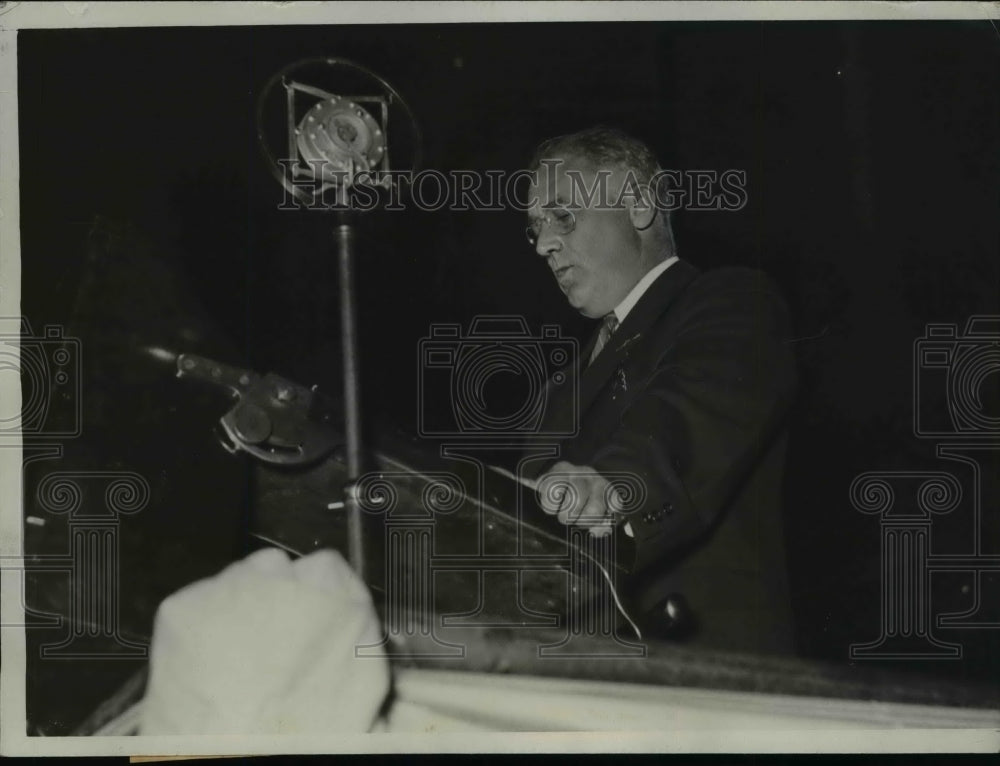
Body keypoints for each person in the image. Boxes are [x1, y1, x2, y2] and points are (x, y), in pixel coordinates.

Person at [521, 126, 797, 655]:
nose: (544, 244)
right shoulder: (564, 383)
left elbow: (684, 412)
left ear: (640, 205)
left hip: (711, 674)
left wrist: (614, 484)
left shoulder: (731, 301)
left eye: (561, 215)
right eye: (534, 228)